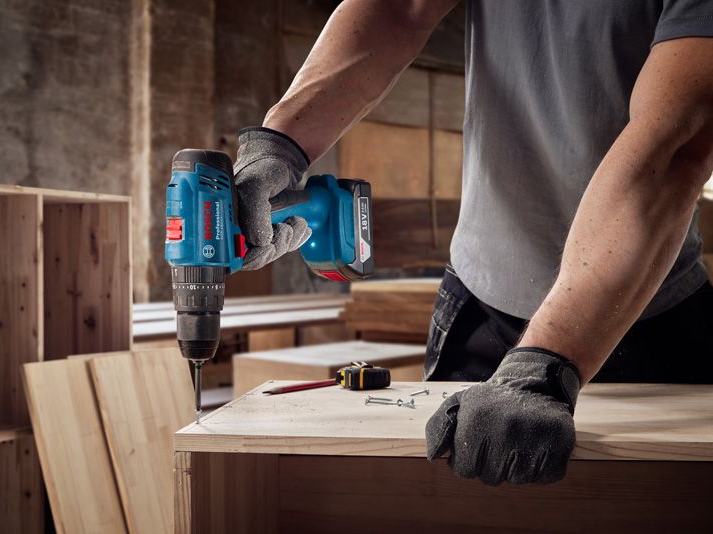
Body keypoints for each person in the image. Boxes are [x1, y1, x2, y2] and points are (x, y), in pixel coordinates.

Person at [231, 1, 713, 485]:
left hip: (641, 316)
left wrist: (543, 366)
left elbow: (675, 144)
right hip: (479, 302)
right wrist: (281, 143)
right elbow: (398, 11)